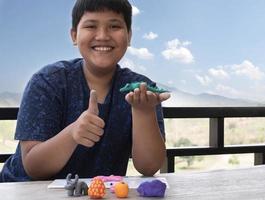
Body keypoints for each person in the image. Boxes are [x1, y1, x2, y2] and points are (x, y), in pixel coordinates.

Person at [0, 0, 170, 182]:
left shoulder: (141, 90)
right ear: (74, 35)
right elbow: (34, 168)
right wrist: (73, 134)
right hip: (24, 190)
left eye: (114, 26)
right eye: (91, 26)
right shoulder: (47, 81)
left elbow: (149, 166)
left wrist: (144, 112)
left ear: (128, 36)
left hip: (97, 193)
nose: (103, 35)